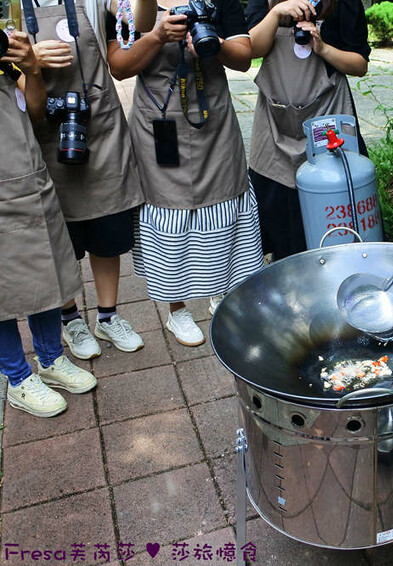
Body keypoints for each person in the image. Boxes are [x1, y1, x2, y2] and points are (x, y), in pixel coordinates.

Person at [106, 0, 264, 346]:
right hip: (158, 124)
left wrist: (216, 45)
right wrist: (158, 36)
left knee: (224, 204)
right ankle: (176, 308)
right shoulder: (129, 4)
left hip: (214, 119)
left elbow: (244, 58)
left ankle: (221, 292)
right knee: (168, 211)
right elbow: (119, 67)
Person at [26, 0, 150, 360]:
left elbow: (136, 18)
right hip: (45, 132)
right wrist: (28, 60)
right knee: (59, 237)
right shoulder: (15, 7)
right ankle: (70, 319)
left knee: (107, 231)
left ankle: (108, 317)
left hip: (100, 130)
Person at [1, 31, 96, 418]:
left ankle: (50, 358)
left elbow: (37, 110)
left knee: (44, 271)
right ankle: (17, 378)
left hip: (26, 177)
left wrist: (30, 66)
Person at [246, 0, 370, 260]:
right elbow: (250, 49)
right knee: (281, 227)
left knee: (336, 217)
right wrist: (277, 12)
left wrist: (323, 48)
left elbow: (359, 65)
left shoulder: (343, 4)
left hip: (328, 118)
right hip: (274, 126)